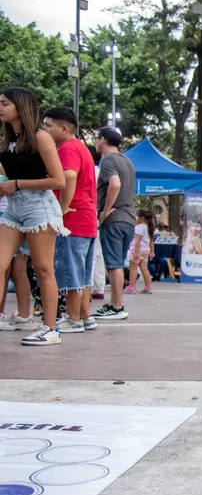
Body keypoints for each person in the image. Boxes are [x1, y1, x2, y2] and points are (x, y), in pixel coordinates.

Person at [0, 88, 67, 345]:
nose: (1, 107)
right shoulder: (9, 140)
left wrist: (16, 183)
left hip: (39, 206)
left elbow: (58, 180)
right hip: (14, 207)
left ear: (20, 107)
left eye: (5, 103)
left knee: (43, 269)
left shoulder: (40, 137)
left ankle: (51, 329)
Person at [43, 107, 99, 334]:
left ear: (64, 129)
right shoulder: (82, 148)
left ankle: (73, 319)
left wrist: (62, 207)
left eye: (48, 126)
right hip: (86, 219)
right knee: (83, 273)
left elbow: (68, 175)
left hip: (73, 220)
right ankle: (85, 316)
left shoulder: (67, 149)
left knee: (71, 271)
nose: (45, 130)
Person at [92, 127, 136, 321]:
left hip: (115, 218)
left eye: (96, 138)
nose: (94, 142)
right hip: (128, 218)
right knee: (116, 262)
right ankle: (114, 304)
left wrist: (106, 209)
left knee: (114, 264)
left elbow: (115, 184)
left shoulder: (108, 160)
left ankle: (117, 306)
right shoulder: (127, 161)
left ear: (102, 140)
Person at [125, 209, 155, 294]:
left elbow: (137, 241)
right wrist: (152, 251)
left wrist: (136, 253)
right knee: (144, 268)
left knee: (133, 268)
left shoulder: (139, 228)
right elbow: (152, 241)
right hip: (146, 250)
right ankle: (148, 287)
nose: (136, 218)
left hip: (138, 250)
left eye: (137, 216)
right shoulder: (149, 227)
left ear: (142, 218)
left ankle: (131, 287)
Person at [89, 146, 105, 300]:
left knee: (86, 253)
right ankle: (98, 287)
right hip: (98, 214)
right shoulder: (101, 172)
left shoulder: (87, 171)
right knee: (98, 253)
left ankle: (87, 285)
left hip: (86, 213)